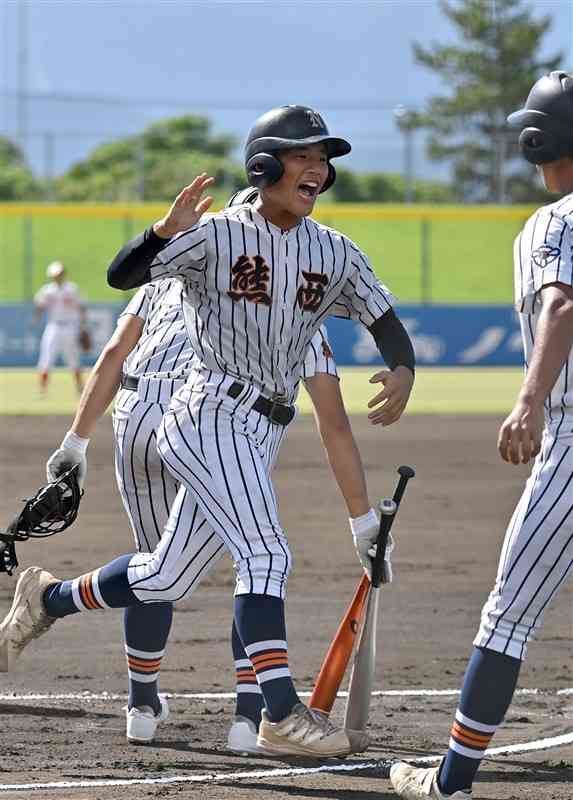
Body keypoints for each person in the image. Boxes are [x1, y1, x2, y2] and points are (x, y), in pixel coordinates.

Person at [0, 105, 415, 759]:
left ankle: (49, 598)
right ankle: (280, 713)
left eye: (323, 159)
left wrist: (403, 366)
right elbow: (123, 275)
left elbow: (380, 313)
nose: (317, 168)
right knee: (267, 555)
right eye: (303, 155)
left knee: (165, 577)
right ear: (264, 165)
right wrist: (164, 229)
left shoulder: (333, 251)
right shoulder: (217, 236)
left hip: (262, 429)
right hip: (205, 414)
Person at [390, 71, 573, 799]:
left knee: (507, 616)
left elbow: (559, 306)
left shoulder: (555, 222)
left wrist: (527, 401)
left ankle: (451, 781)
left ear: (534, 139)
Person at [33, 261, 87, 396]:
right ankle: (42, 390)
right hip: (53, 326)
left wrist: (83, 326)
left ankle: (80, 387)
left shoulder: (72, 289)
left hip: (70, 326)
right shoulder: (47, 290)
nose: (57, 276)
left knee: (73, 359)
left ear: (63, 274)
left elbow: (81, 308)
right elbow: (40, 306)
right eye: (55, 274)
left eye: (59, 273)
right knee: (46, 358)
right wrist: (36, 320)